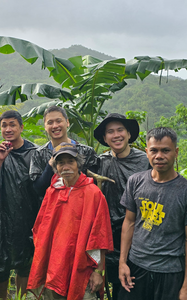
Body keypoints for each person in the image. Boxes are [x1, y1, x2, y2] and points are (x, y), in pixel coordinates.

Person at [27, 142, 113, 300]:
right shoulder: (52, 192)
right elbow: (41, 231)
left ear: (78, 164)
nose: (65, 166)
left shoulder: (93, 194)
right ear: (56, 167)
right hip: (54, 266)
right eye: (60, 163)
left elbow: (100, 238)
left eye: (70, 161)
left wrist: (99, 271)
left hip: (82, 267)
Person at [118, 127, 187, 300]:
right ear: (147, 152)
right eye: (154, 150)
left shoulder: (184, 190)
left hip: (170, 272)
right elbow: (129, 222)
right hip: (136, 267)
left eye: (166, 150)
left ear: (176, 152)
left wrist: (185, 285)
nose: (159, 156)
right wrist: (122, 262)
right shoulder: (136, 181)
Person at [0, 110, 40, 300]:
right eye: (4, 125)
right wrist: (0, 159)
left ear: (21, 127)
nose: (8, 129)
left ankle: (21, 297)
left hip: (26, 216)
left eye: (12, 124)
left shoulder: (34, 153)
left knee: (24, 261)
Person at [93, 112, 150, 299]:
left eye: (120, 130)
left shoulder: (144, 161)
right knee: (110, 282)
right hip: (107, 234)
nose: (116, 135)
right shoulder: (100, 163)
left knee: (131, 286)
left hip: (137, 231)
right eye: (110, 132)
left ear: (128, 133)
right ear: (104, 138)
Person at [30, 105, 99, 198]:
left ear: (67, 122)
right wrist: (50, 166)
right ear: (45, 127)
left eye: (59, 121)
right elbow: (38, 190)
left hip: (81, 208)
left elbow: (93, 185)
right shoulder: (39, 154)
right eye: (50, 122)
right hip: (52, 209)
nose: (55, 126)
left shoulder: (86, 151)